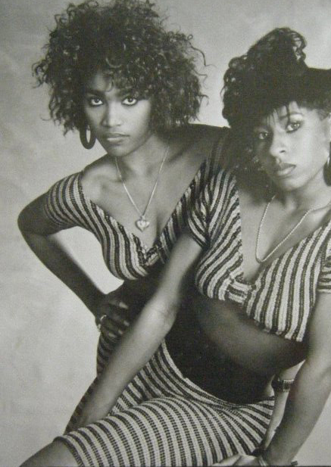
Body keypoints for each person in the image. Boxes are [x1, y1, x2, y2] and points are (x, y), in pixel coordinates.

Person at [21, 28, 331, 467]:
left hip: (219, 409)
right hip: (143, 361)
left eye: (293, 126)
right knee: (68, 447)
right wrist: (92, 412)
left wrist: (272, 460)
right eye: (261, 134)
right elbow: (163, 306)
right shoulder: (230, 186)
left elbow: (322, 366)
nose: (276, 148)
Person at [18, 0, 224, 378]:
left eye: (129, 98)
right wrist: (94, 300)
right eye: (96, 100)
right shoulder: (87, 190)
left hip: (217, 371)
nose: (111, 120)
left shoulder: (216, 153)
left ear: (159, 96)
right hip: (128, 363)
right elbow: (31, 225)